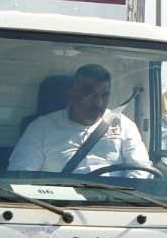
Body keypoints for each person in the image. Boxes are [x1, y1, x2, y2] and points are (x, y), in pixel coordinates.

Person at [9, 63, 150, 174]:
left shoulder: (123, 125)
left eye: (104, 95)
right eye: (91, 94)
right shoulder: (41, 128)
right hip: (57, 200)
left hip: (115, 199)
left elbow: (140, 171)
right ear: (72, 94)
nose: (98, 102)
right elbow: (21, 174)